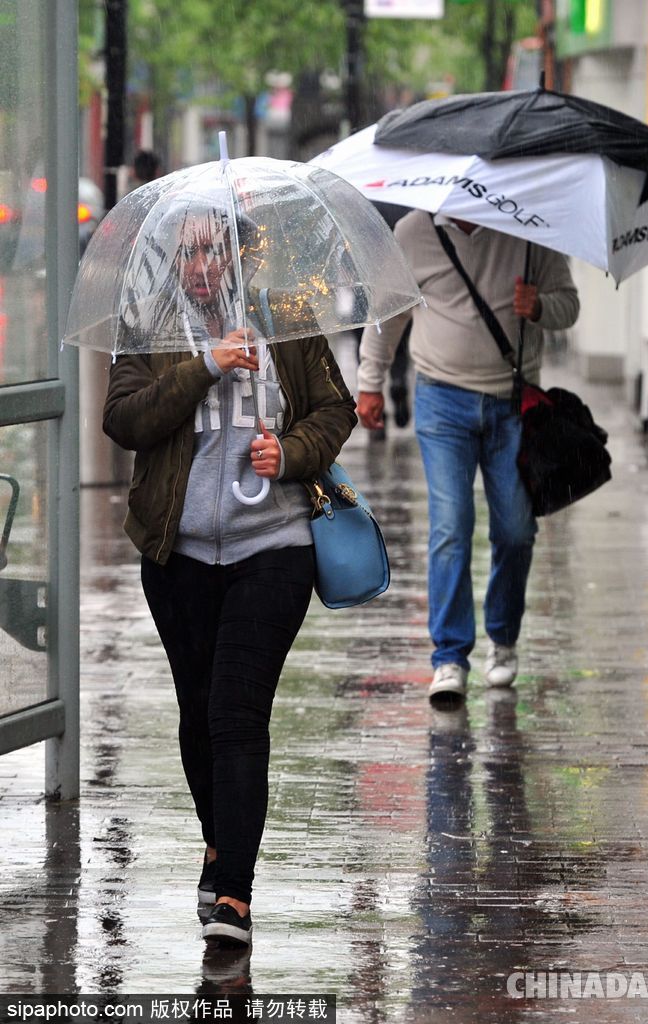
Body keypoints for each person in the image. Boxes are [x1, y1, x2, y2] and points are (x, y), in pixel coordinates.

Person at [103, 206, 357, 947]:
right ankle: (221, 843)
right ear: (172, 259)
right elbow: (125, 420)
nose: (202, 266)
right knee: (197, 710)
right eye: (188, 253)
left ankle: (235, 896)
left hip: (272, 548)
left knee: (237, 715)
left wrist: (296, 452)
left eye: (215, 250)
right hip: (177, 554)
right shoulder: (149, 323)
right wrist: (206, 363)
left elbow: (334, 409)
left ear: (241, 255)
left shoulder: (285, 316)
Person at [357, 211, 579, 704]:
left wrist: (540, 305)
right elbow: (389, 312)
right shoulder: (413, 231)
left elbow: (569, 306)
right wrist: (370, 381)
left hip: (514, 404)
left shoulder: (528, 226)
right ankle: (450, 656)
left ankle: (503, 638)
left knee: (517, 530)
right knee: (451, 525)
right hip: (442, 401)